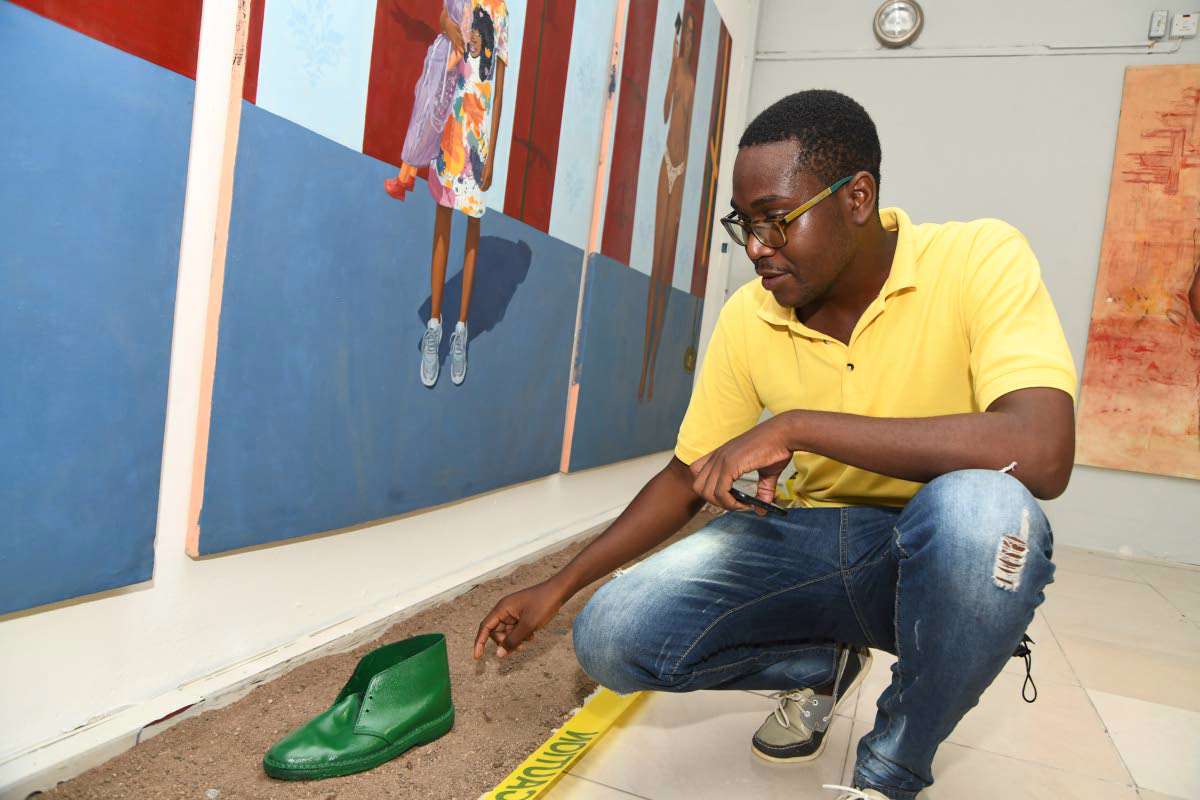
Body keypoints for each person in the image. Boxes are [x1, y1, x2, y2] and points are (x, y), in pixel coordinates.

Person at [472, 90, 1078, 799]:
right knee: (609, 636)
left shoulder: (980, 257)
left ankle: (893, 766)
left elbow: (1041, 451)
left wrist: (795, 425)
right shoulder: (749, 316)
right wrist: (559, 586)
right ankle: (821, 666)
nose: (757, 247)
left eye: (777, 219)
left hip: (930, 554)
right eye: (745, 223)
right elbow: (686, 476)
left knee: (987, 514)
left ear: (857, 198)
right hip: (806, 543)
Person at [386, 0, 509, 388]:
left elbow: (499, 87)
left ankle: (460, 330)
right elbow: (442, 17)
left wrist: (492, 152)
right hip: (451, 123)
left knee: (472, 230)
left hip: (478, 136)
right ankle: (435, 325)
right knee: (442, 221)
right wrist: (452, 29)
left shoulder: (502, 13)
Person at [639, 9, 698, 402]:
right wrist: (671, 71)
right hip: (666, 167)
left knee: (665, 271)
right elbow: (663, 112)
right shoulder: (679, 72)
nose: (688, 39)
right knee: (655, 265)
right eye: (685, 33)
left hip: (682, 167)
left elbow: (689, 134)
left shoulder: (692, 79)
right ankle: (644, 370)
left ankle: (652, 368)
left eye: (691, 35)